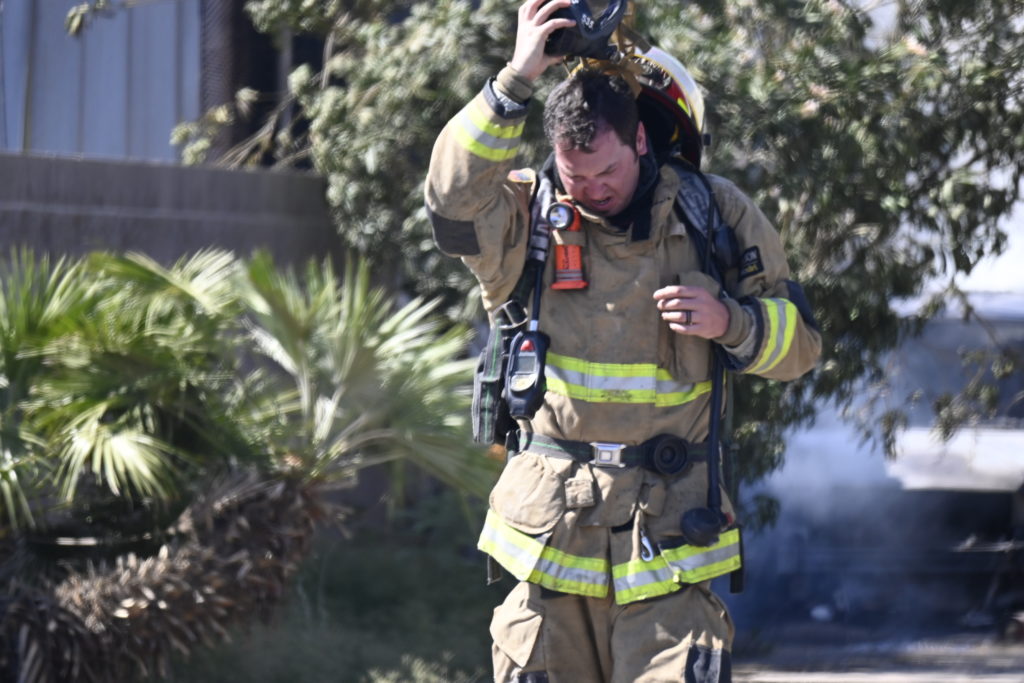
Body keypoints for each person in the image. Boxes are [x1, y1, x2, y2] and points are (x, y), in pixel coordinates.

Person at [425, 1, 822, 681]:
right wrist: (516, 79)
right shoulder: (526, 220)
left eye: (605, 173)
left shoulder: (714, 213)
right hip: (552, 548)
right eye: (575, 176)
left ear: (640, 142)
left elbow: (802, 347)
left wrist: (732, 323)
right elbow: (451, 201)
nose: (590, 190)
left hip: (668, 546)